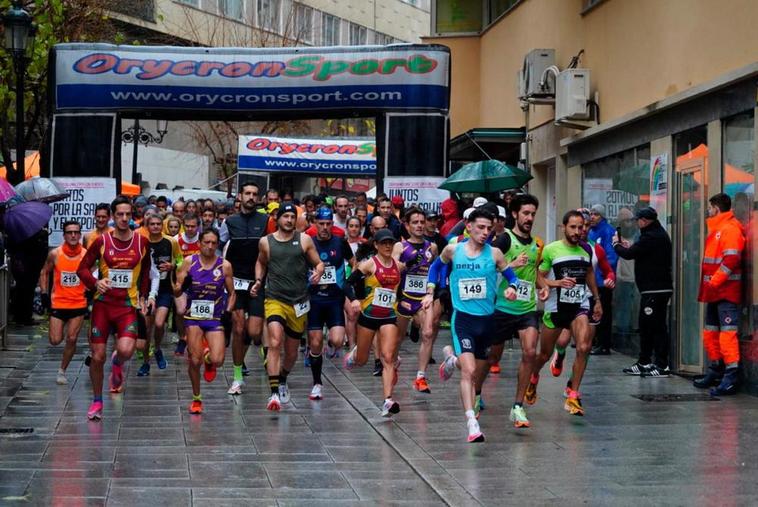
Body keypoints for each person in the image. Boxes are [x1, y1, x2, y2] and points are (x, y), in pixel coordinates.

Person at [426, 209, 519, 442]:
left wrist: (512, 288)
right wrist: (430, 291)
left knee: (475, 371)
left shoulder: (495, 253)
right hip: (463, 319)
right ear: (468, 226)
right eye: (480, 227)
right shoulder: (453, 250)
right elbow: (435, 268)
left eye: (489, 228)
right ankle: (472, 422)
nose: (485, 232)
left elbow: (512, 277)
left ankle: (451, 359)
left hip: (487, 321)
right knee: (468, 372)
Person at [77, 196, 156, 420]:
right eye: (119, 214)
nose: (123, 218)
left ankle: (118, 363)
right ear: (112, 216)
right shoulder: (102, 241)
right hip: (103, 305)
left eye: (127, 215)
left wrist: (143, 297)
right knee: (97, 355)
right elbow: (82, 269)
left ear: (133, 216)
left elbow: (146, 272)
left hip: (127, 306)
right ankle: (97, 401)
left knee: (126, 350)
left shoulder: (141, 242)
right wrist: (95, 283)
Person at [526, 210, 602, 418]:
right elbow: (537, 277)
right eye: (573, 227)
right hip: (556, 308)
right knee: (544, 353)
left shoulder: (586, 249)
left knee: (584, 346)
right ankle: (533, 378)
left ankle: (573, 395)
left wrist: (597, 300)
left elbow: (589, 274)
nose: (578, 231)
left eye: (581, 227)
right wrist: (555, 283)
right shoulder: (551, 250)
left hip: (579, 305)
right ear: (564, 227)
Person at [477, 194, 544, 428]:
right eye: (526, 213)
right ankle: (476, 392)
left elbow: (534, 274)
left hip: (527, 309)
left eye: (533, 214)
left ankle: (517, 407)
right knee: (492, 356)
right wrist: (510, 266)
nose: (530, 218)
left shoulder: (536, 244)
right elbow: (485, 264)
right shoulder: (505, 240)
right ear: (515, 214)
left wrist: (543, 288)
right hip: (502, 308)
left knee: (530, 353)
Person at [251, 203, 324, 411]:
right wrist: (258, 280)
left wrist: (318, 271)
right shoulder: (266, 242)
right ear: (278, 219)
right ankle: (273, 394)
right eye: (286, 216)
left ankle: (282, 378)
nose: (290, 220)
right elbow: (261, 262)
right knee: (274, 341)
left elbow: (318, 263)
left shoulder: (304, 239)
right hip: (275, 299)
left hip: (299, 302)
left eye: (293, 216)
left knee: (291, 354)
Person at [344, 228, 406, 416]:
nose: (388, 246)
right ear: (376, 245)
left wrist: (402, 300)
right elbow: (346, 284)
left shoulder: (399, 266)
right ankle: (354, 355)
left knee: (388, 358)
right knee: (362, 361)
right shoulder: (369, 265)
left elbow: (400, 287)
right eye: (384, 243)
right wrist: (355, 299)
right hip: (368, 316)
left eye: (390, 243)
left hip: (388, 316)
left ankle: (388, 400)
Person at [174, 228, 235, 414]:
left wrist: (228, 312)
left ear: (218, 245)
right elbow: (177, 290)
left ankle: (210, 359)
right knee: (194, 360)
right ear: (199, 243)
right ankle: (197, 398)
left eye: (213, 243)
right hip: (193, 317)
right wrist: (181, 287)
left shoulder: (224, 266)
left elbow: (232, 294)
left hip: (214, 317)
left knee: (218, 360)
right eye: (206, 242)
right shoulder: (188, 262)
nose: (209, 246)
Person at [223, 182, 274, 396]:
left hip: (257, 282)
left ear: (259, 197)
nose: (251, 197)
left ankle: (257, 351)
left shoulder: (266, 221)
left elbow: (272, 249)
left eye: (255, 194)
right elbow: (219, 249)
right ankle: (237, 377)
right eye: (247, 193)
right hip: (235, 281)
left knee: (253, 332)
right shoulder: (229, 222)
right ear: (240, 196)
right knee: (238, 328)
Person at [612, 206, 673, 377]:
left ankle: (661, 364)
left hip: (655, 290)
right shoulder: (653, 235)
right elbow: (637, 251)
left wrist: (616, 244)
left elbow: (629, 254)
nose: (636, 223)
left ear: (644, 221)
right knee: (647, 326)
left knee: (656, 326)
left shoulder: (652, 237)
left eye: (638, 219)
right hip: (652, 289)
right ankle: (644, 361)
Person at [693, 193, 745, 395]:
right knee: (711, 332)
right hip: (715, 292)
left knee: (727, 335)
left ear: (716, 207)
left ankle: (731, 375)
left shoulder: (729, 229)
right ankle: (717, 370)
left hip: (725, 291)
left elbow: (731, 260)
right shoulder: (718, 228)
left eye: (710, 207)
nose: (708, 210)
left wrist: (714, 282)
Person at [307, 207, 355, 400]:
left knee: (336, 340)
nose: (325, 228)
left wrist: (349, 284)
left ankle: (330, 342)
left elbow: (354, 262)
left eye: (328, 224)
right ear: (315, 224)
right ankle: (317, 383)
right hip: (315, 299)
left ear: (332, 225)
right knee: (315, 343)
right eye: (321, 224)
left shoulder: (340, 242)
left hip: (335, 298)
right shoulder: (308, 243)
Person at [392, 208, 440, 394]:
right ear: (407, 225)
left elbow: (436, 270)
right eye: (415, 222)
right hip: (404, 298)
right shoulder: (400, 247)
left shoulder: (432, 247)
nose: (419, 225)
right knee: (397, 339)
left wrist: (432, 290)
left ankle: (421, 376)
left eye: (422, 222)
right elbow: (393, 270)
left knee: (428, 333)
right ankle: (394, 362)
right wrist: (407, 264)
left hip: (424, 298)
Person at [39, 220, 88, 385]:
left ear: (80, 235)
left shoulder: (86, 255)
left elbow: (94, 274)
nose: (73, 235)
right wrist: (44, 294)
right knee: (55, 340)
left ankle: (62, 371)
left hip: (78, 303)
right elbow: (44, 272)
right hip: (59, 303)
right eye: (69, 232)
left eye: (76, 232)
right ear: (64, 235)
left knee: (72, 338)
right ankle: (60, 329)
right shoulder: (55, 254)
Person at [137, 214, 182, 376]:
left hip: (164, 288)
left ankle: (157, 348)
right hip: (145, 288)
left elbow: (181, 260)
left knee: (160, 322)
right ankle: (146, 362)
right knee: (147, 326)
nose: (155, 227)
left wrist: (173, 265)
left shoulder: (171, 241)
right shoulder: (142, 242)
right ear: (147, 226)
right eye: (152, 224)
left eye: (158, 224)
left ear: (162, 226)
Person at [587, 204, 618, 355]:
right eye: (591, 214)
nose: (592, 217)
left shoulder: (608, 231)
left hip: (603, 280)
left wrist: (606, 274)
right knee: (592, 310)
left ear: (603, 216)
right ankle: (593, 340)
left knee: (603, 312)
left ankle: (604, 344)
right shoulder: (591, 231)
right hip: (592, 279)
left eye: (596, 214)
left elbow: (611, 257)